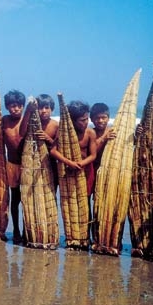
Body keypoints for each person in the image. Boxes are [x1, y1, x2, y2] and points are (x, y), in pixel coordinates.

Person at [50, 100, 97, 240]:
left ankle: (85, 236)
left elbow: (93, 155)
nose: (86, 122)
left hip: (85, 171)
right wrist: (68, 162)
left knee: (85, 201)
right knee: (68, 201)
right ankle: (72, 236)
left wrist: (81, 164)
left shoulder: (90, 133)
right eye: (82, 120)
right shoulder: (63, 133)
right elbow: (53, 151)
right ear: (73, 121)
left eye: (87, 118)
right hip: (68, 172)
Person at [2, 90, 29, 244]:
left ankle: (26, 230)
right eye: (12, 106)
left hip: (26, 166)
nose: (16, 109)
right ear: (7, 107)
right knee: (15, 200)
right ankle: (16, 231)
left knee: (26, 199)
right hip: (11, 164)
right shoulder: (4, 120)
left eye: (19, 106)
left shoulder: (28, 119)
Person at [90, 103, 116, 175]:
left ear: (108, 118)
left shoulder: (113, 131)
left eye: (103, 117)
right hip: (94, 169)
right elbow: (93, 152)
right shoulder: (91, 133)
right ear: (92, 119)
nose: (100, 120)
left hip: (111, 169)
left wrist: (137, 135)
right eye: (97, 118)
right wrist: (104, 138)